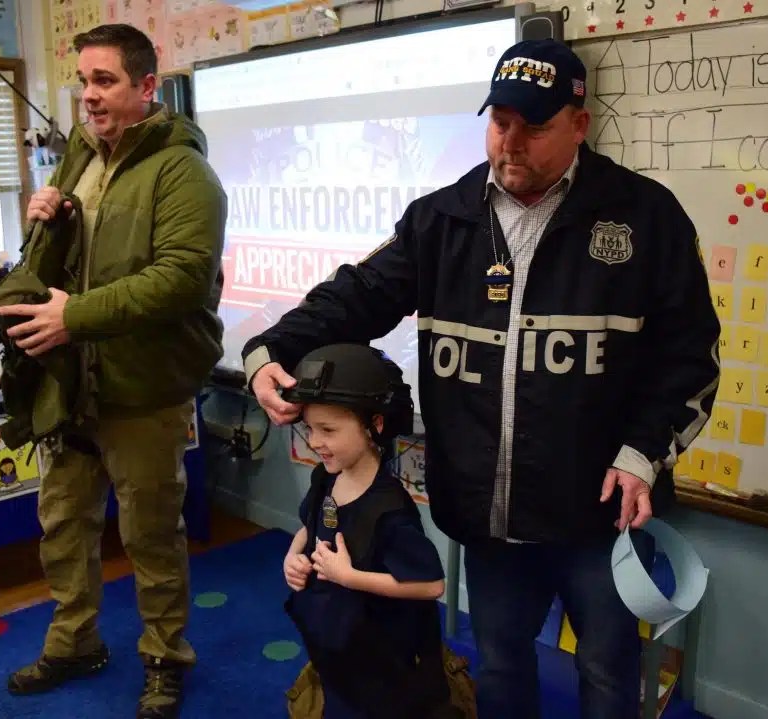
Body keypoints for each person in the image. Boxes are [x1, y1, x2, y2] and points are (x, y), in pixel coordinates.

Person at [244, 38, 720, 719]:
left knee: (608, 672)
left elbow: (691, 355)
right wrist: (268, 350)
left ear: (580, 125)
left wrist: (645, 451)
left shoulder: (646, 217)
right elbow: (356, 296)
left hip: (598, 517)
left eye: (536, 126)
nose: (511, 143)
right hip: (488, 519)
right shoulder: (441, 218)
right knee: (499, 664)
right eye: (500, 121)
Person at [0, 23, 226, 719]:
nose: (88, 96)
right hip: (69, 379)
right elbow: (56, 261)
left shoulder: (184, 171)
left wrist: (79, 317)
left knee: (151, 530)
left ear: (146, 87)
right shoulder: (78, 155)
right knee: (63, 521)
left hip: (143, 384)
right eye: (82, 81)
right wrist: (43, 219)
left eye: (104, 81)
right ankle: (75, 640)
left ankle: (164, 656)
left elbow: (182, 279)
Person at [280, 343, 462, 719]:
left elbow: (431, 586)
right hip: (339, 649)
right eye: (311, 429)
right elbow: (308, 526)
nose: (315, 442)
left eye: (328, 430)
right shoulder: (325, 478)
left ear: (374, 425)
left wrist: (348, 577)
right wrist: (293, 555)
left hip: (387, 670)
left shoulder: (391, 511)